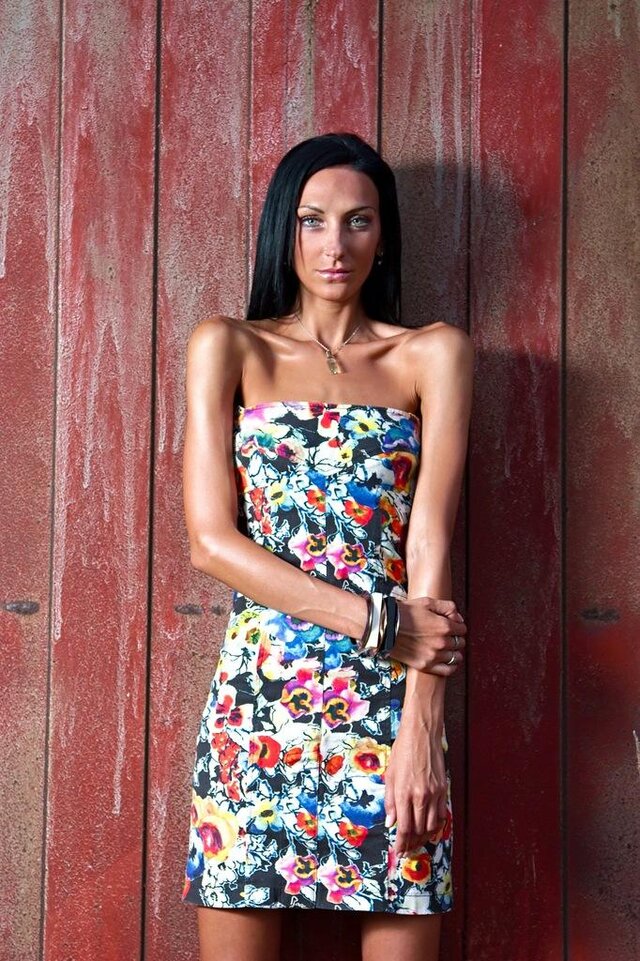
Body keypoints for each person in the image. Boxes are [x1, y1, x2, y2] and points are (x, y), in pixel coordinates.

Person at [180, 131, 474, 961]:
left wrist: (422, 730)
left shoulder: (433, 354)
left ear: (384, 235)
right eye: (312, 220)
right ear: (285, 228)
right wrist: (379, 622)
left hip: (391, 711)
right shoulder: (228, 346)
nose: (334, 244)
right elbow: (211, 542)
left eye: (358, 220)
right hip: (256, 707)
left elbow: (431, 548)